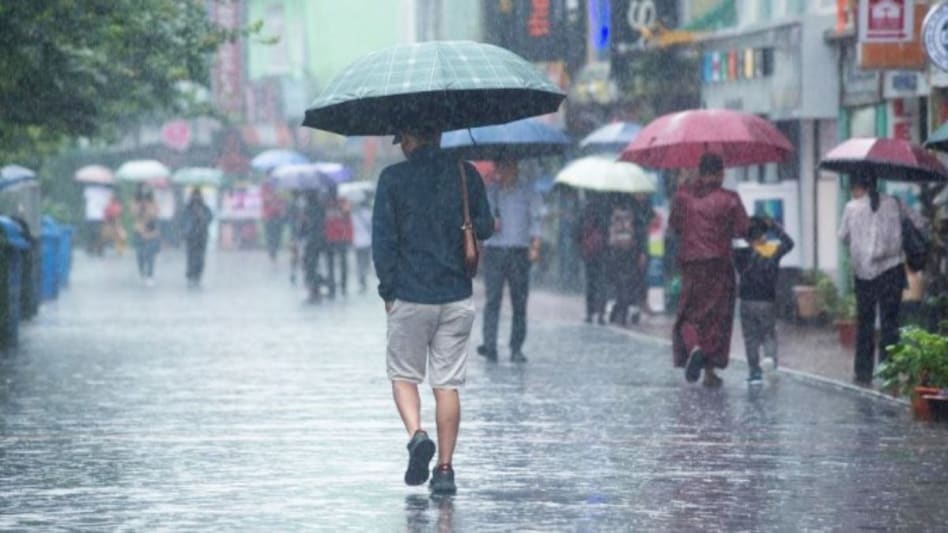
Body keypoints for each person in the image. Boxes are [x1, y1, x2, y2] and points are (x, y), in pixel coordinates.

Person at [373, 127, 493, 495]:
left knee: (404, 376)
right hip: (455, 296)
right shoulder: (465, 173)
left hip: (410, 296)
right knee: (447, 384)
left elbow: (383, 242)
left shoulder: (392, 179)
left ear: (410, 140)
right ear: (439, 136)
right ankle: (444, 469)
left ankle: (417, 435)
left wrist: (388, 291)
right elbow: (485, 227)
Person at [669, 153, 749, 387]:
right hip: (721, 266)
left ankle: (694, 347)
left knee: (689, 315)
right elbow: (743, 229)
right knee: (717, 319)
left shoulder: (683, 198)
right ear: (721, 173)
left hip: (692, 265)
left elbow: (674, 226)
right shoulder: (730, 199)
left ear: (700, 172)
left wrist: (682, 191)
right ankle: (710, 371)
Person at [838, 174, 925, 386]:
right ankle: (889, 373)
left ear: (859, 187)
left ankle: (863, 374)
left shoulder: (851, 207)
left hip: (863, 274)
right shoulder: (895, 202)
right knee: (890, 324)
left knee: (865, 324)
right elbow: (920, 223)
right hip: (892, 271)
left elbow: (842, 236)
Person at [476, 157, 543, 363]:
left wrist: (535, 246)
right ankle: (489, 345)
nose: (504, 171)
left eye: (508, 166)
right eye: (501, 167)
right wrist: (489, 223)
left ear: (515, 167)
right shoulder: (490, 193)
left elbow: (535, 221)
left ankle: (516, 347)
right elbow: (480, 223)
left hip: (519, 252)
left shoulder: (528, 192)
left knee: (519, 302)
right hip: (494, 252)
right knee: (492, 300)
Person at [734, 216, 794, 384]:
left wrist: (740, 231)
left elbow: (728, 243)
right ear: (764, 235)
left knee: (750, 337)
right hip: (767, 300)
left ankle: (754, 372)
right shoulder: (772, 251)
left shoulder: (741, 254)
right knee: (768, 334)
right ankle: (769, 357)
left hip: (746, 300)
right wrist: (774, 226)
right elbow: (789, 243)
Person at [606, 193, 649, 326]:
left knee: (621, 282)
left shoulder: (611, 208)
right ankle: (623, 309)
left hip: (618, 250)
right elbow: (641, 232)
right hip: (630, 250)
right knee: (628, 281)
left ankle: (621, 309)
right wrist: (642, 251)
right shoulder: (636, 211)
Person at [579, 192, 610, 325]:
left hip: (590, 252)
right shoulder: (605, 208)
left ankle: (590, 312)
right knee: (601, 283)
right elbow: (607, 229)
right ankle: (601, 313)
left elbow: (578, 230)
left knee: (591, 283)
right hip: (603, 251)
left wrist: (581, 246)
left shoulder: (586, 209)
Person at [182, 188, 214, 287]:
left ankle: (198, 275)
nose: (196, 198)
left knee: (200, 258)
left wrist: (201, 216)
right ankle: (190, 275)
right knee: (191, 257)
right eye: (194, 195)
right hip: (191, 237)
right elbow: (183, 221)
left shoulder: (205, 208)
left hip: (201, 237)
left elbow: (209, 218)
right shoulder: (187, 208)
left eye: (198, 195)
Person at [324, 191, 353, 297]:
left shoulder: (327, 203)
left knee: (333, 263)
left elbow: (347, 216)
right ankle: (340, 287)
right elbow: (348, 218)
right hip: (339, 237)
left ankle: (336, 287)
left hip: (333, 237)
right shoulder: (341, 202)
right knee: (340, 263)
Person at [301, 190, 327, 302]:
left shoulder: (306, 210)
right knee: (314, 264)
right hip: (320, 240)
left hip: (311, 241)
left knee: (309, 265)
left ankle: (314, 287)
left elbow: (303, 228)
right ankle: (317, 285)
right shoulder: (321, 207)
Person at [133, 189, 161, 286]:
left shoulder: (154, 205)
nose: (144, 200)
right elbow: (134, 214)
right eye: (142, 198)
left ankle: (150, 275)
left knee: (150, 255)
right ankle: (142, 272)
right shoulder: (136, 204)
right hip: (139, 232)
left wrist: (148, 210)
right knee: (140, 255)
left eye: (146, 198)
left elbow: (155, 215)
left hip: (151, 233)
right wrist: (140, 208)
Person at [350, 191, 373, 293]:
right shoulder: (369, 213)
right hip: (367, 241)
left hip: (357, 242)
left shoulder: (353, 215)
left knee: (359, 262)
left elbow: (352, 228)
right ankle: (364, 276)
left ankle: (361, 279)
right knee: (365, 261)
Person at [261, 182, 285, 263]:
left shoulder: (280, 186)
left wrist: (278, 196)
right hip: (269, 215)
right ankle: (272, 252)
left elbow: (283, 199)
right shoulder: (265, 186)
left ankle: (275, 249)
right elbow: (265, 199)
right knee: (270, 234)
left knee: (278, 234)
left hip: (278, 215)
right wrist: (274, 195)